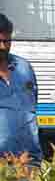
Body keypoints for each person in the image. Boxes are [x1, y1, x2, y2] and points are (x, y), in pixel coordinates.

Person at [0, 13, 42, 164]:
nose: (3, 46)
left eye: (7, 41)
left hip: (30, 160)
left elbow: (32, 104)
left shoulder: (24, 68)